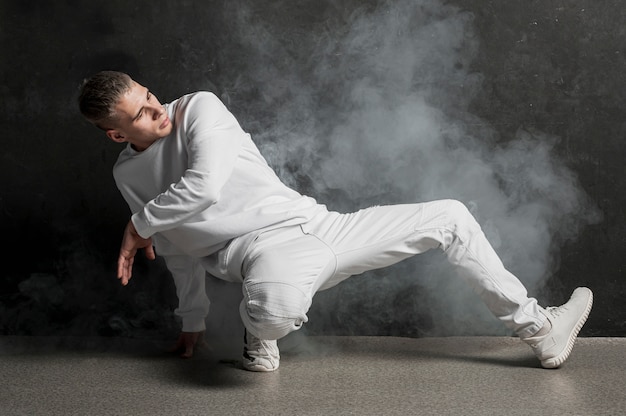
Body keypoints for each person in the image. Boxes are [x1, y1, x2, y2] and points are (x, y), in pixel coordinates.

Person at [78, 70, 593, 372]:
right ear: (117, 136)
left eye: (148, 95)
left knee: (451, 216)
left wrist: (139, 224)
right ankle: (262, 333)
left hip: (316, 226)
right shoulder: (130, 174)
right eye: (141, 115)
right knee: (274, 307)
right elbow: (176, 247)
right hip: (254, 252)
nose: (156, 110)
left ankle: (540, 329)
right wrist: (191, 320)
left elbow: (206, 182)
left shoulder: (197, 109)